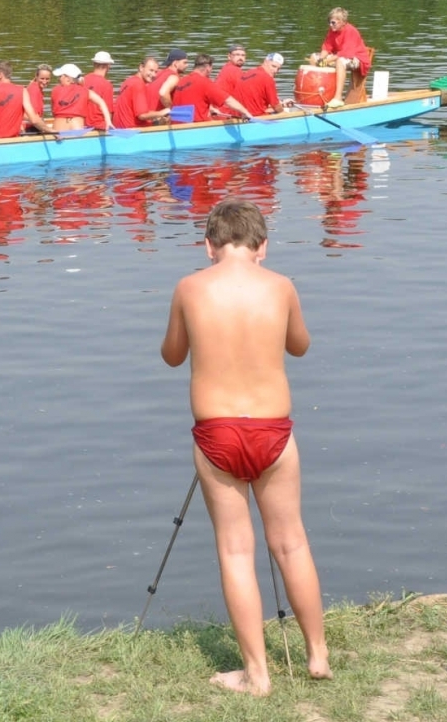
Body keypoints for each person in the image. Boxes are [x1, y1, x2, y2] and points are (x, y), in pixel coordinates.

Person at [159, 198, 330, 696]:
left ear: (208, 245)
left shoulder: (190, 287)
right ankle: (317, 654)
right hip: (274, 431)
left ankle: (257, 674)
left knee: (237, 551)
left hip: (217, 434)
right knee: (291, 541)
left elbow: (172, 356)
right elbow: (300, 345)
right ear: (263, 247)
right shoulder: (281, 286)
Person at [308, 8, 372, 108]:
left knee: (340, 62)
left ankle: (337, 98)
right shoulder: (332, 31)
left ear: (342, 22)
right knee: (313, 57)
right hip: (341, 57)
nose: (330, 25)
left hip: (358, 59)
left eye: (333, 23)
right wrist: (320, 59)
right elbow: (326, 47)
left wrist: (327, 60)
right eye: (329, 22)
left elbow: (344, 53)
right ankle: (317, 95)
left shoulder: (350, 31)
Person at [170, 53, 254, 122]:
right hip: (194, 127)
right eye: (211, 68)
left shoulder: (182, 80)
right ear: (207, 68)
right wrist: (246, 113)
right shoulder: (205, 82)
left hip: (176, 124)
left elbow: (192, 100)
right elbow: (228, 100)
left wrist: (211, 108)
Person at [0, 62, 55, 139]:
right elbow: (34, 119)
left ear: (0, 75)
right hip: (11, 141)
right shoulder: (22, 90)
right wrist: (51, 131)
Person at [50, 63, 113, 131]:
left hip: (59, 129)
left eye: (60, 76)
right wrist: (108, 122)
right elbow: (101, 102)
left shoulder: (55, 90)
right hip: (77, 128)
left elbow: (54, 112)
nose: (58, 79)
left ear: (67, 78)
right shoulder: (85, 91)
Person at [115, 54, 167, 128]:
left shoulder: (128, 81)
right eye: (151, 70)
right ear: (141, 67)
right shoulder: (138, 84)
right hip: (132, 131)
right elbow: (142, 115)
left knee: (160, 120)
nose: (154, 75)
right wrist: (162, 112)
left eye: (156, 72)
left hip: (121, 128)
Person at [233, 53, 286, 117]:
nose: (275, 71)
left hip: (238, 116)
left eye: (278, 69)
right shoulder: (268, 79)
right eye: (273, 66)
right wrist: (284, 113)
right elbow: (275, 105)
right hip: (256, 118)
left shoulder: (249, 72)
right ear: (265, 62)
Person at [82, 52, 116, 131]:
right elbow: (109, 112)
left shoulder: (83, 80)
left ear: (94, 64)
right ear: (108, 66)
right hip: (99, 126)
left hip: (83, 124)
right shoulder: (107, 85)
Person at [25, 64, 53, 131]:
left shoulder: (35, 87)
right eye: (42, 78)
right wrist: (49, 130)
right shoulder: (34, 90)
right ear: (36, 76)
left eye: (47, 79)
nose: (44, 81)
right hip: (31, 128)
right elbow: (34, 117)